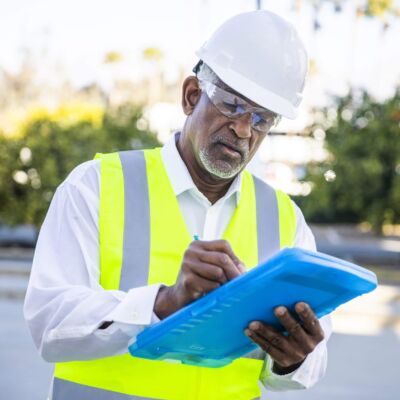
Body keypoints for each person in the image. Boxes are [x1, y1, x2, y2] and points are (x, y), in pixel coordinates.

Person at [24, 10, 332, 400]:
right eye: (232, 105)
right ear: (191, 96)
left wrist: (293, 359)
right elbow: (48, 322)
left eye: (261, 119)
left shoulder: (286, 220)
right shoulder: (96, 186)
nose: (243, 130)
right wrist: (162, 304)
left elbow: (311, 363)